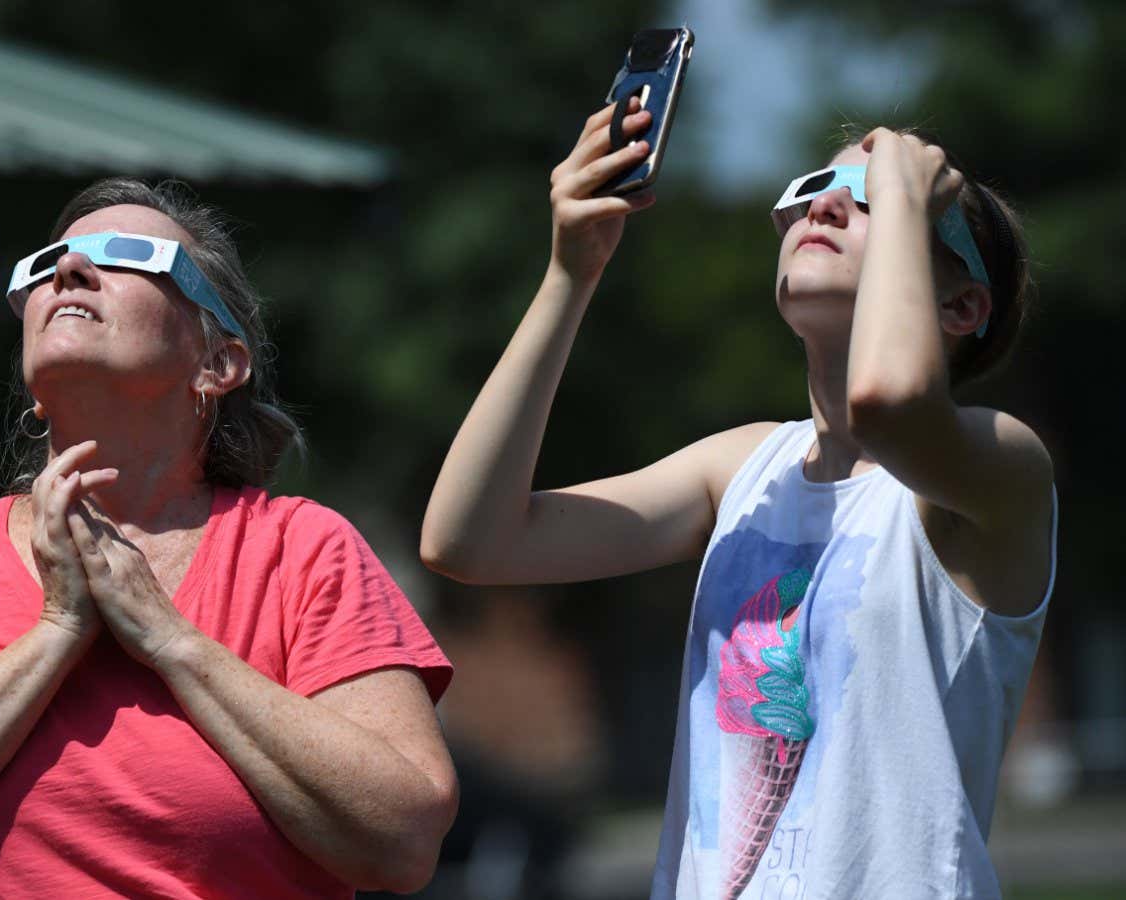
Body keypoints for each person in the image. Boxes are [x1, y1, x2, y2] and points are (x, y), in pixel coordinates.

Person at [421, 98, 1056, 898]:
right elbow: (471, 541)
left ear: (960, 306)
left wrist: (901, 195)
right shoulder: (744, 467)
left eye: (872, 200)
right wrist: (568, 274)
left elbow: (889, 404)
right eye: (817, 186)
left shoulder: (1002, 466)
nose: (827, 203)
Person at [0, 178, 458, 898]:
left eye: (129, 256)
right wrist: (58, 630)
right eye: (50, 262)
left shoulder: (301, 549)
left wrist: (170, 639)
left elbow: (403, 840)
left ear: (217, 364)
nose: (70, 271)